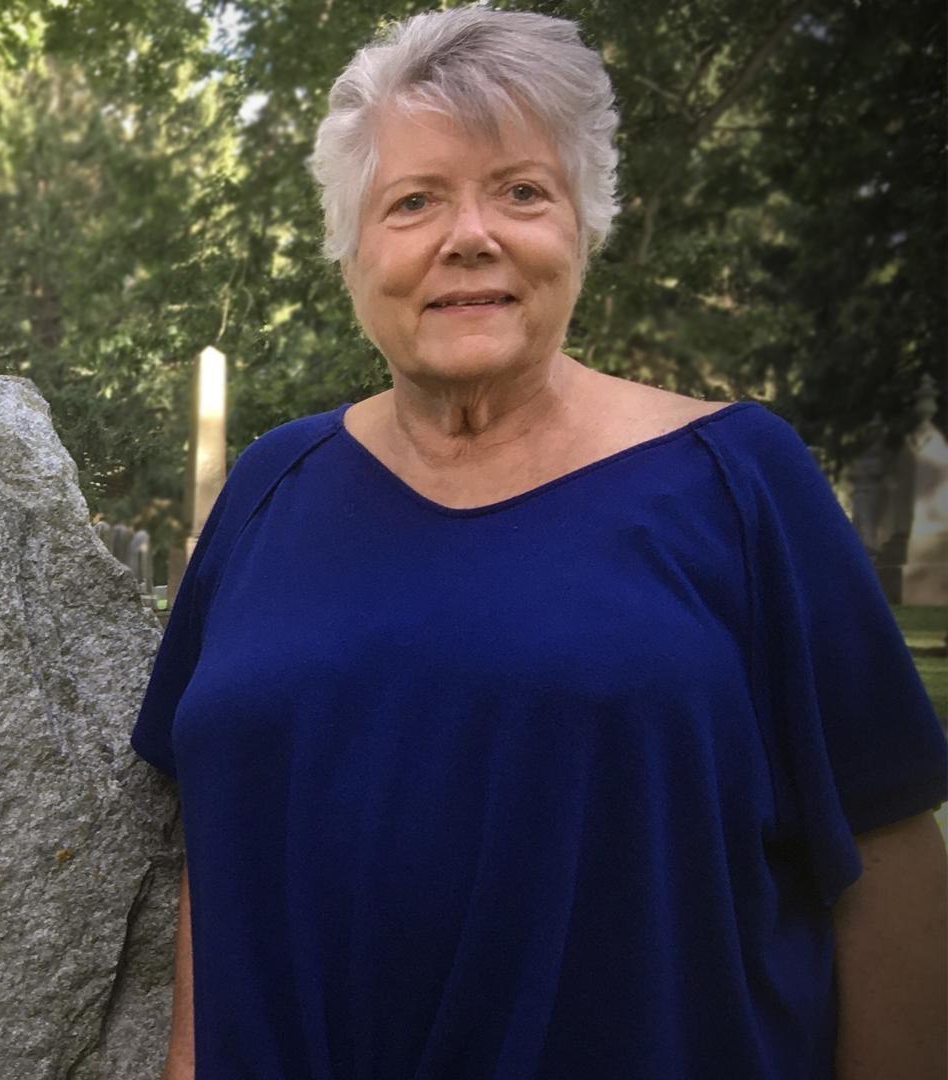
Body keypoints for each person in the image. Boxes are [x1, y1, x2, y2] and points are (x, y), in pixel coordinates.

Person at [130, 8, 948, 1079]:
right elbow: (218, 841)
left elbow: (886, 861)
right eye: (414, 201)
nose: (469, 235)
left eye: (521, 190)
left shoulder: (740, 482)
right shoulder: (270, 489)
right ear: (354, 247)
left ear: (582, 226)